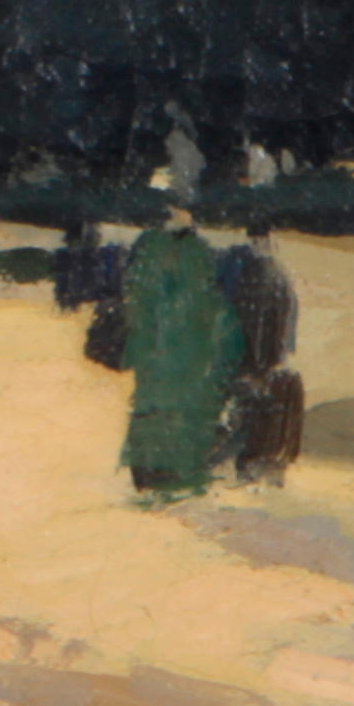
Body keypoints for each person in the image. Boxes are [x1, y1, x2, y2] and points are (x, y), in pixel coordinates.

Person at [120, 192, 242, 500]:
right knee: (175, 410)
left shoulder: (168, 249)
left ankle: (157, 474)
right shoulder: (183, 250)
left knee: (164, 409)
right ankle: (168, 474)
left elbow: (138, 298)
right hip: (178, 348)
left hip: (170, 349)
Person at [215, 220, 304, 482]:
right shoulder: (276, 274)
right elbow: (285, 321)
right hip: (265, 356)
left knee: (248, 408)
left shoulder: (250, 272)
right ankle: (255, 462)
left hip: (252, 356)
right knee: (258, 408)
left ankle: (247, 461)